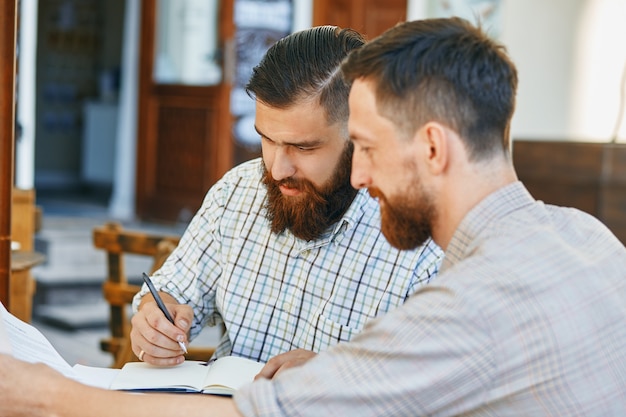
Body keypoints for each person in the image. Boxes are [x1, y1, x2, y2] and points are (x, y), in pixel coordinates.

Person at [2, 17, 625, 417]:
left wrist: (47, 393)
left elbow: (271, 412)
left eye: (368, 149)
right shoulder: (590, 239)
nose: (359, 177)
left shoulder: (473, 298)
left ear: (432, 148)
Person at [128, 24, 442, 374]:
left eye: (303, 147)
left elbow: (434, 390)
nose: (277, 170)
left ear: (360, 134)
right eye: (267, 139)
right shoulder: (239, 191)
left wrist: (339, 378)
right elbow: (172, 295)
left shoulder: (422, 241)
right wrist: (155, 323)